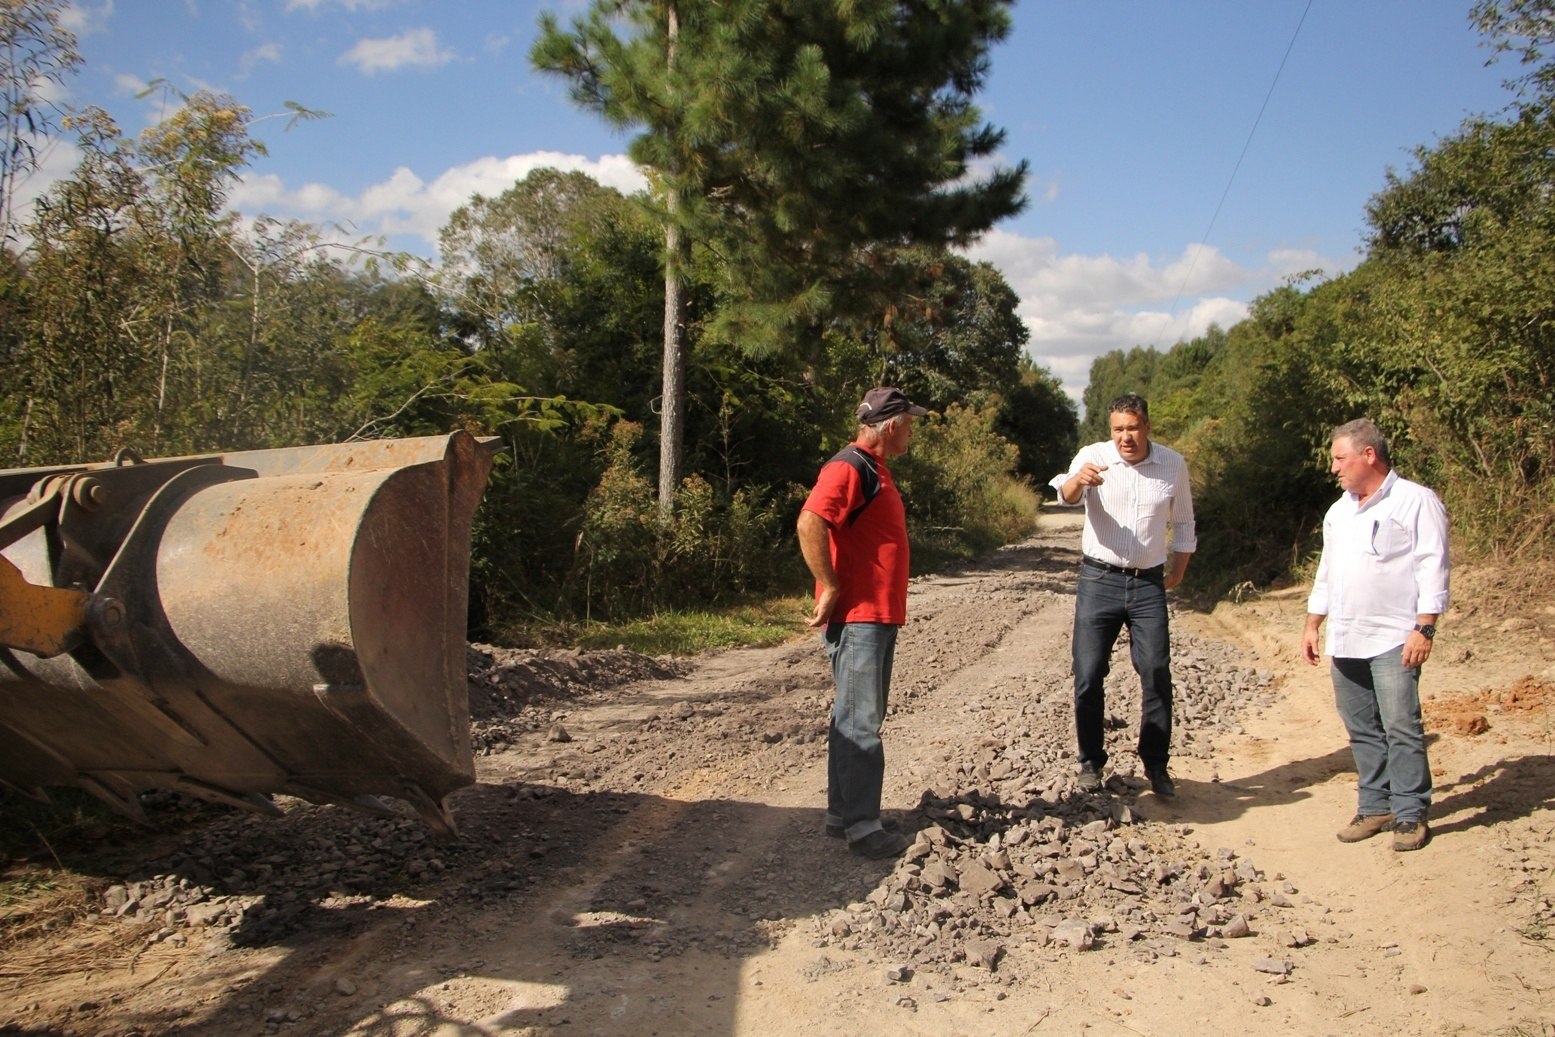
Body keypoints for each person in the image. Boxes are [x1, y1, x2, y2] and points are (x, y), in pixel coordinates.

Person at [1302, 418, 1449, 853]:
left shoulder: (1415, 502)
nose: (1334, 469)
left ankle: (1409, 812)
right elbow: (1327, 571)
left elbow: (1432, 564)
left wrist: (1424, 627)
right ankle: (1374, 805)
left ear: (1369, 455)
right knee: (1361, 727)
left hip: (1393, 635)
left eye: (1339, 458)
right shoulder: (1338, 511)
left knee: (1401, 725)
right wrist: (1313, 622)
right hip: (1346, 637)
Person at [797, 387, 926, 859]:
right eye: (909, 422)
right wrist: (829, 586)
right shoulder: (849, 467)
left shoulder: (872, 469)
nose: (912, 430)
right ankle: (863, 828)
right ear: (890, 425)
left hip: (874, 615)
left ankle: (843, 814)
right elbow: (811, 520)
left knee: (852, 716)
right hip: (859, 617)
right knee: (861, 721)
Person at [1049, 393, 1196, 797]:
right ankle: (1091, 762)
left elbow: (1184, 521)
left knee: (1155, 670)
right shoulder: (1093, 455)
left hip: (1148, 583)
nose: (1125, 437)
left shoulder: (1172, 463)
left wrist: (1177, 571)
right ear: (1109, 429)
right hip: (1099, 580)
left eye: (1132, 428)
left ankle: (1156, 763)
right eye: (1118, 429)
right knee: (1088, 673)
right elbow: (1066, 493)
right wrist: (1079, 480)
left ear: (1147, 426)